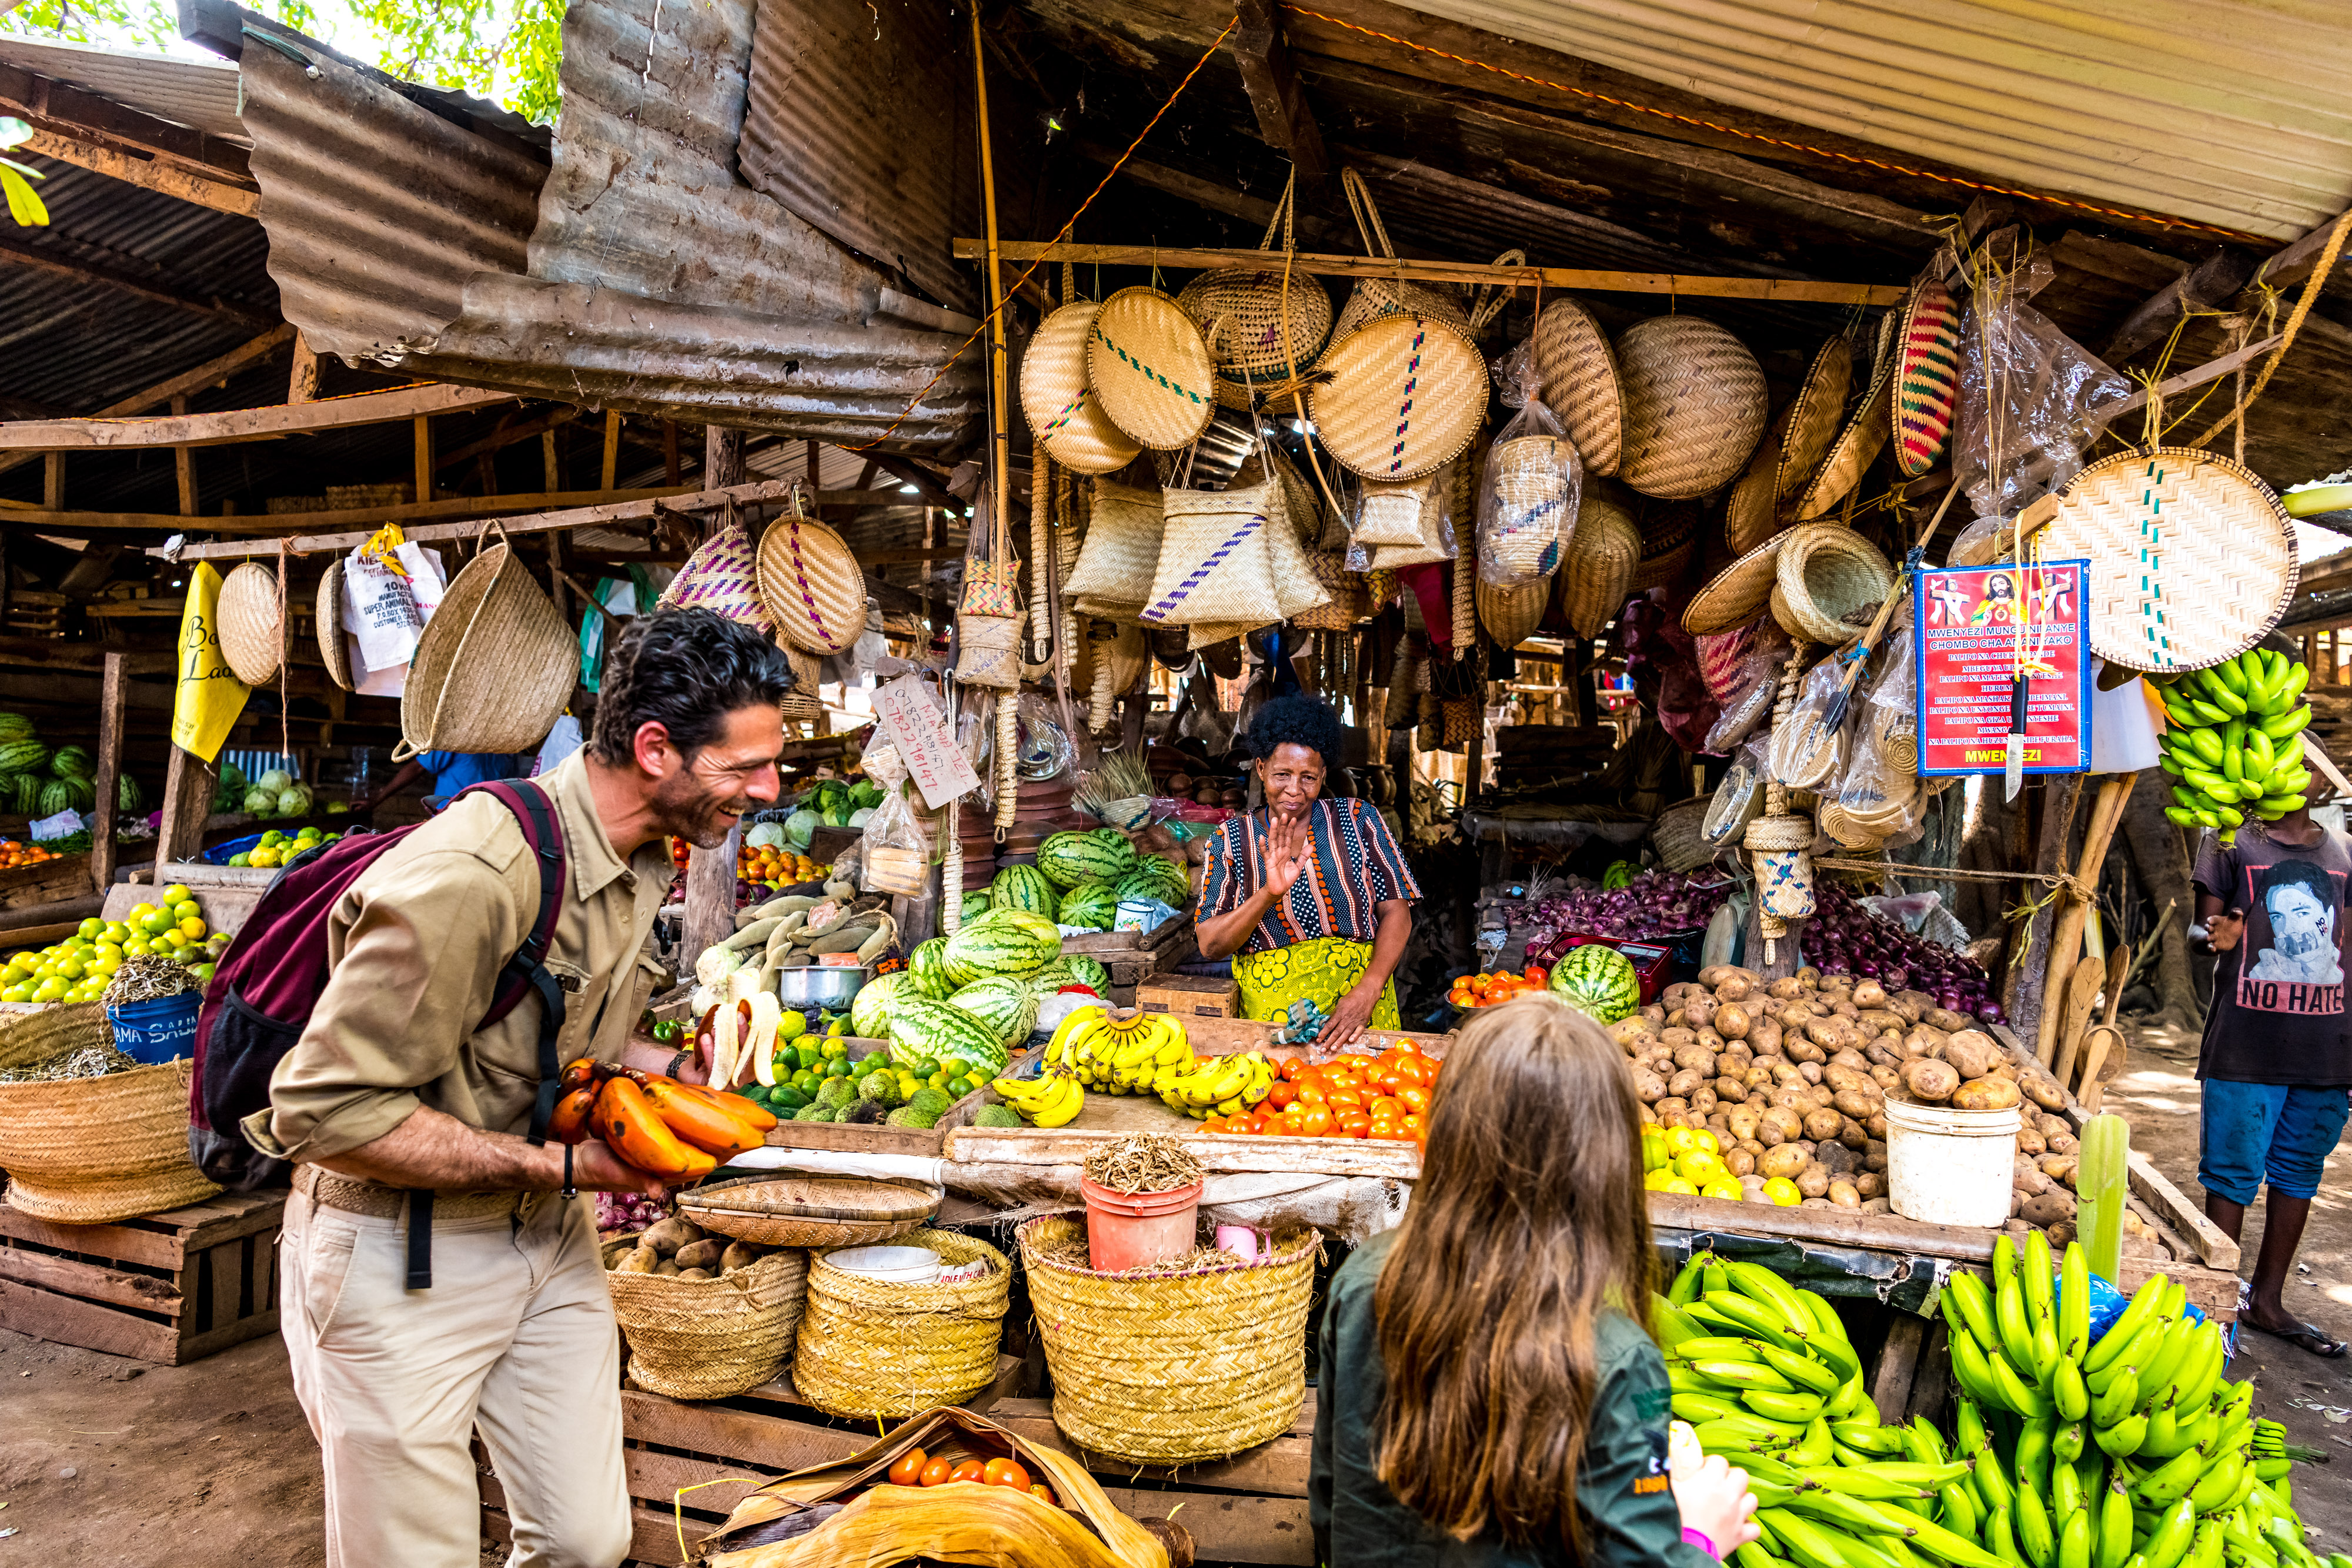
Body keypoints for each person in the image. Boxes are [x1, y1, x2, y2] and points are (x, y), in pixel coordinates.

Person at [250, 606, 793, 1567]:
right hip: (400, 1256)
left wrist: (679, 1073)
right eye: (746, 765)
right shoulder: (473, 872)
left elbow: (568, 1028)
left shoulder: (636, 858)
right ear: (658, 749)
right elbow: (323, 1111)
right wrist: (560, 1164)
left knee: (587, 1539)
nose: (769, 786)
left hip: (545, 1237)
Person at [1311, 993, 1762, 1567]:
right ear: (1610, 1162)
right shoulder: (1616, 1360)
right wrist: (1698, 1536)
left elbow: (1331, 1503)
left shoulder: (1365, 1280)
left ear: (1444, 1132)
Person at [2194, 798, 2352, 1359]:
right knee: (2232, 1173)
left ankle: (2268, 1300)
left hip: (2326, 1051)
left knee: (2299, 1172)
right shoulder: (2230, 840)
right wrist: (2219, 936)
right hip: (2245, 1047)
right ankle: (2216, 1308)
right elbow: (2198, 930)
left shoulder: (2342, 852)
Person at [1194, 693, 1418, 1056]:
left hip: (1360, 1009)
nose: (1295, 790)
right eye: (1283, 774)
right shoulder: (1231, 839)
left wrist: (1370, 989)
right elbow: (1209, 944)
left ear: (1324, 774)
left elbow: (1397, 910)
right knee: (1286, 1108)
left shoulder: (1358, 819)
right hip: (1276, 1021)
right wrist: (1267, 894)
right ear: (1262, 768)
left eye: (1308, 777)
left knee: (1370, 1105)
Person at [359, 748, 529, 813]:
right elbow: (417, 768)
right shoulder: (458, 740)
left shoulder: (510, 747)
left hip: (487, 824)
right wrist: (376, 800)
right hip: (449, 822)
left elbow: (509, 787)